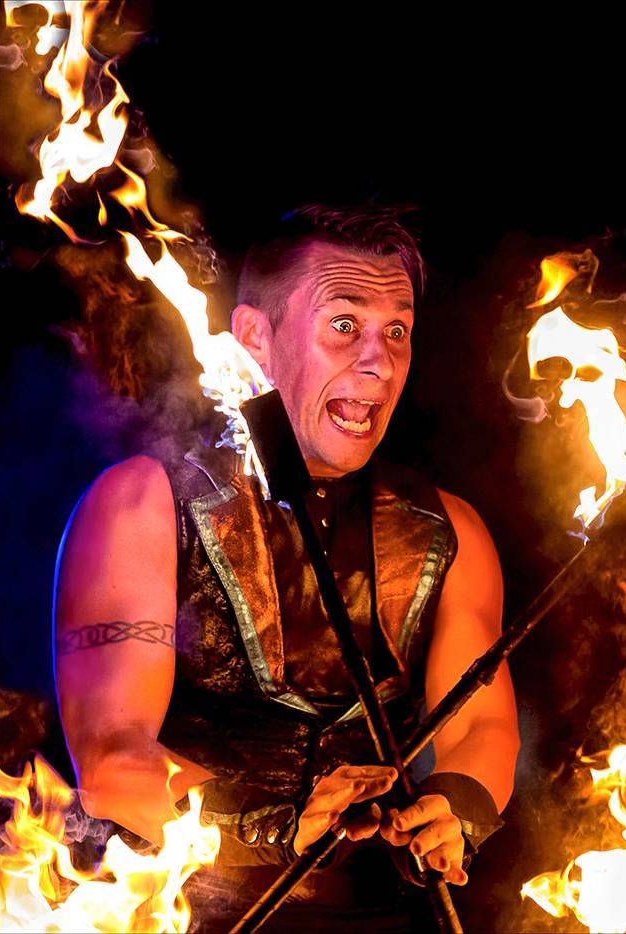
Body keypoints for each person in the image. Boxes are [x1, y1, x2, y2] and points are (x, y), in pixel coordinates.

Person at [52, 205, 519, 930]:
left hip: (387, 915)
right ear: (254, 341)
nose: (379, 360)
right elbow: (113, 761)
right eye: (345, 325)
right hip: (194, 910)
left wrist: (453, 807)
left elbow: (482, 727)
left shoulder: (449, 530)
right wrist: (271, 823)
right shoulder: (143, 504)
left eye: (397, 331)